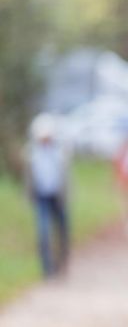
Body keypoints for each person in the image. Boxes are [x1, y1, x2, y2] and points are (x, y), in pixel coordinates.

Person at [26, 113, 70, 278]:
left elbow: (65, 178)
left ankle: (62, 262)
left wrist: (65, 197)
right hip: (42, 198)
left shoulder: (59, 153)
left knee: (62, 232)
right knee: (43, 232)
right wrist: (31, 197)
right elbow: (29, 180)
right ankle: (47, 268)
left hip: (57, 197)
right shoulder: (32, 154)